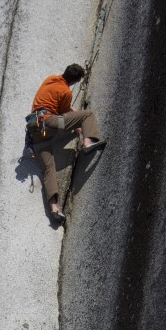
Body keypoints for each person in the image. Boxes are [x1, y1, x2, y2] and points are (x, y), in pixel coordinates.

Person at [26, 64, 106, 222]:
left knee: (48, 170)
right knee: (88, 115)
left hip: (35, 132)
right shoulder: (66, 92)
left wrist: (73, 121)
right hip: (50, 123)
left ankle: (54, 208)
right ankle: (88, 143)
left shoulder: (50, 80)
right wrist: (78, 126)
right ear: (75, 81)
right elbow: (64, 113)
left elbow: (60, 108)